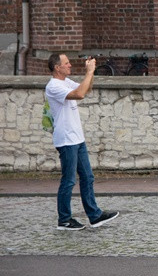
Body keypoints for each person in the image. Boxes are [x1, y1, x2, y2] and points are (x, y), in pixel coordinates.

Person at [46, 53, 119, 230]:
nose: (70, 65)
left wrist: (90, 72)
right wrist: (89, 72)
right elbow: (78, 95)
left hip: (77, 138)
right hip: (66, 140)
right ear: (57, 67)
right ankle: (64, 219)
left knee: (87, 177)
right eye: (67, 63)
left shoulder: (65, 82)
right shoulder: (54, 86)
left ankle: (94, 215)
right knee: (69, 180)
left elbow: (86, 90)